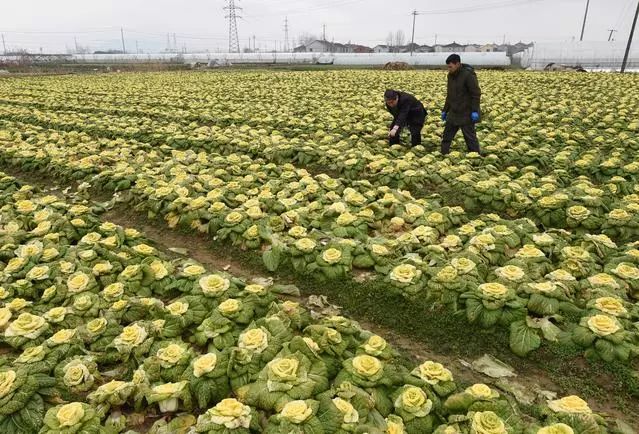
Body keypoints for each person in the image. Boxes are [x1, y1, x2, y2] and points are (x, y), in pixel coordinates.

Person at [440, 54, 481, 155]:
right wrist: (445, 110)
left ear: (457, 64)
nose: (449, 69)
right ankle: (443, 154)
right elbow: (449, 94)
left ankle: (475, 156)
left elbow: (476, 94)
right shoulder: (450, 76)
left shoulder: (468, 75)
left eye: (450, 66)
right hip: (454, 111)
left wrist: (474, 111)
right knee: (447, 135)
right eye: (448, 67)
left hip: (466, 111)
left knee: (470, 137)